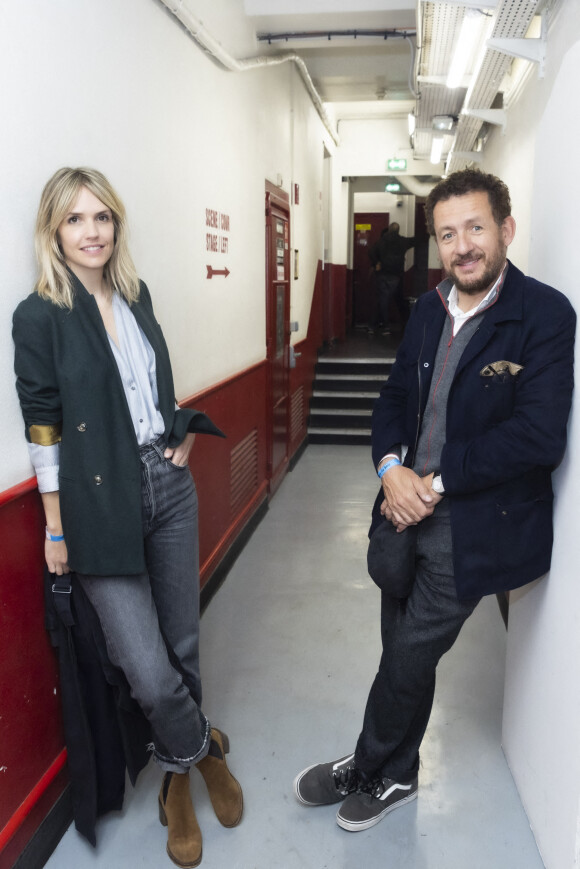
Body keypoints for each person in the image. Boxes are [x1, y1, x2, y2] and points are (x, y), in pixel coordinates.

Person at [293, 169, 575, 833]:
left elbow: (538, 436)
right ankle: (398, 771)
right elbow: (394, 399)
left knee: (410, 652)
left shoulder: (545, 315)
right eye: (448, 234)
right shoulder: (427, 309)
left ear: (506, 229)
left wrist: (434, 483)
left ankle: (363, 764)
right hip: (400, 506)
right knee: (399, 642)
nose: (462, 245)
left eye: (475, 227)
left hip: (473, 520)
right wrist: (391, 468)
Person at [13, 167, 243, 867]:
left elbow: (151, 389)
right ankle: (204, 751)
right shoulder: (39, 315)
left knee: (181, 643)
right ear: (54, 230)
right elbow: (43, 425)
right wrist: (55, 526)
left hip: (167, 486)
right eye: (77, 219)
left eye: (103, 218)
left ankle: (175, 783)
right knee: (144, 665)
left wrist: (177, 428)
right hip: (95, 503)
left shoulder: (137, 296)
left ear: (117, 225)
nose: (92, 232)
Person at [368, 222, 415, 334]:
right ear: (398, 230)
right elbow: (415, 241)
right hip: (396, 275)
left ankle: (380, 325)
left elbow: (370, 251)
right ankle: (404, 323)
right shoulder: (402, 241)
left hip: (383, 274)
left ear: (389, 229)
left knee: (383, 300)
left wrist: (376, 263)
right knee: (396, 300)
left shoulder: (381, 241)